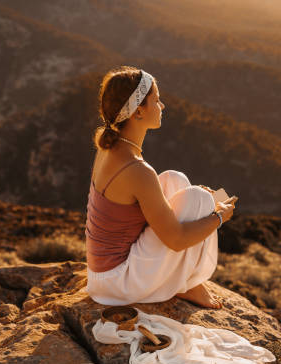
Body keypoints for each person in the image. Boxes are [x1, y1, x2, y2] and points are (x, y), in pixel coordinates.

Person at [85, 66, 235, 309]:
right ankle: (186, 284)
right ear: (138, 112)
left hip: (102, 274)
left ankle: (184, 281)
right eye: (156, 100)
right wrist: (219, 216)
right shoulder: (136, 170)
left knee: (175, 179)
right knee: (197, 198)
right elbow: (176, 240)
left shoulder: (108, 146)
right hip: (117, 284)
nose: (162, 106)